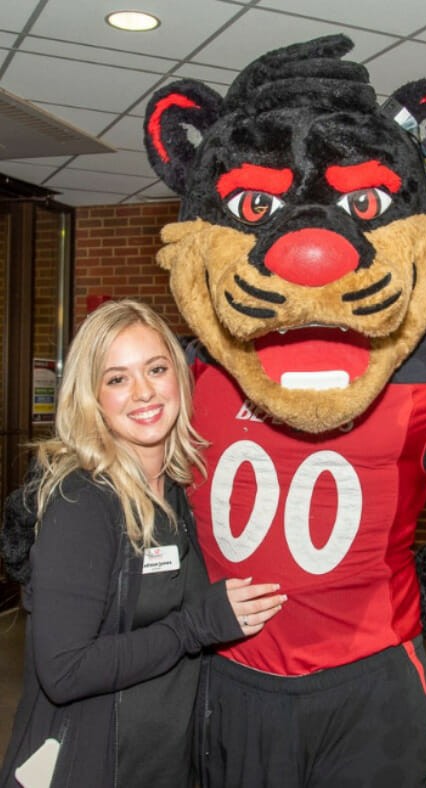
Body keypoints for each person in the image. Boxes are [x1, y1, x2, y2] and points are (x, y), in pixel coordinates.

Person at [0, 300, 286, 788]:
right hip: (92, 767)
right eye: (117, 378)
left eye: (156, 368)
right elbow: (64, 670)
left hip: (163, 762)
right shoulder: (82, 499)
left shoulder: (173, 488)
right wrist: (195, 627)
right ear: (91, 396)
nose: (144, 392)